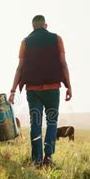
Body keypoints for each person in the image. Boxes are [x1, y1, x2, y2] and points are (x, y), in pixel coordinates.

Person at [9, 15, 72, 167]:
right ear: (45, 25)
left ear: (33, 27)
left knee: (35, 124)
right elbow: (63, 63)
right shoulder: (57, 39)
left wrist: (12, 90)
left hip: (33, 90)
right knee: (52, 122)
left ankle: (36, 160)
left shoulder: (25, 42)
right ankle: (48, 157)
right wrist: (69, 86)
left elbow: (20, 67)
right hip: (52, 89)